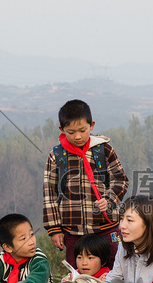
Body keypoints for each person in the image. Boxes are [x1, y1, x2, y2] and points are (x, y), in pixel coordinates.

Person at [42, 99, 129, 269]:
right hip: (73, 230)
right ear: (61, 130)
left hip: (105, 226)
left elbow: (121, 180)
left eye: (82, 130)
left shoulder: (104, 150)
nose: (78, 136)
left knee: (114, 267)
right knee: (76, 272)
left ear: (92, 125)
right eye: (71, 132)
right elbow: (50, 194)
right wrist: (54, 229)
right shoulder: (57, 155)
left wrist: (109, 200)